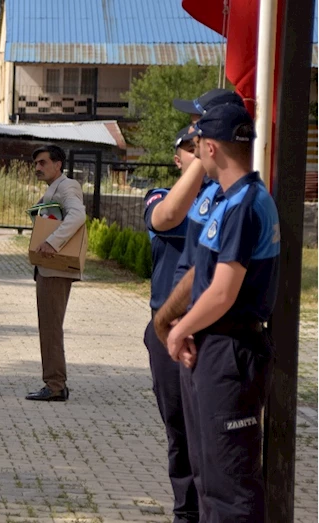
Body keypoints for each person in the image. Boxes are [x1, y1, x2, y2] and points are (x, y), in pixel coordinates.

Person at [157, 103, 279, 522]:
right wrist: (178, 322)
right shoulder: (231, 201)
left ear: (211, 148)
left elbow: (223, 292)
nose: (195, 155)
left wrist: (179, 331)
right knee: (209, 477)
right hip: (216, 348)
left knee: (230, 485)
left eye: (197, 146)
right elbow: (204, 274)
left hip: (232, 352)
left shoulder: (245, 204)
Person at [140, 126, 203, 522]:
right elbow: (167, 217)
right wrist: (203, 164)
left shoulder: (222, 200)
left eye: (203, 145)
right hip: (167, 331)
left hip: (210, 330)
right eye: (189, 148)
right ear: (178, 159)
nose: (198, 151)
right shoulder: (159, 195)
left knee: (209, 432)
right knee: (178, 430)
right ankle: (186, 512)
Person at [25, 145, 86, 402]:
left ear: (58, 164)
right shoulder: (55, 188)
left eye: (43, 162)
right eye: (35, 164)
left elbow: (78, 215)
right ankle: (55, 383)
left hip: (55, 269)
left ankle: (55, 386)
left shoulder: (67, 186)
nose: (37, 168)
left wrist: (52, 242)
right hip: (49, 268)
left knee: (51, 328)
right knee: (49, 326)